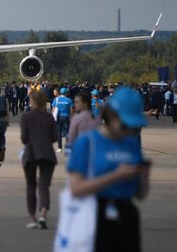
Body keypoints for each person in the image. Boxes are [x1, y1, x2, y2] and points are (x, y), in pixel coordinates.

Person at [67, 87, 151, 252]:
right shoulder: (87, 143)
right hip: (94, 214)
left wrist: (144, 176)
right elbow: (76, 189)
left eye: (133, 127)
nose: (129, 130)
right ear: (111, 115)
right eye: (125, 124)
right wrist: (115, 176)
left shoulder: (132, 144)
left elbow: (140, 194)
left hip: (126, 216)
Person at [19, 90, 58, 230]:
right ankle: (43, 215)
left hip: (31, 153)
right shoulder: (49, 118)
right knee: (43, 186)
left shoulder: (26, 117)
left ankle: (32, 218)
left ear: (31, 102)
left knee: (31, 186)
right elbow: (55, 137)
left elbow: (24, 138)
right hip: (47, 154)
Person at [52, 87, 73, 153]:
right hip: (66, 117)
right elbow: (72, 110)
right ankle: (67, 147)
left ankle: (59, 148)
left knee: (59, 132)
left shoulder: (56, 99)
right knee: (67, 132)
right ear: (66, 93)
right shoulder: (69, 100)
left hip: (58, 117)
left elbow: (53, 109)